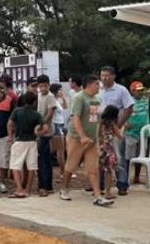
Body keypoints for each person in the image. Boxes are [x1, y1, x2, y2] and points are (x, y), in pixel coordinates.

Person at [60, 74, 113, 207]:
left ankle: (98, 196)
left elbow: (98, 119)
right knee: (71, 164)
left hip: (92, 139)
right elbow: (75, 118)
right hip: (77, 138)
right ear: (89, 84)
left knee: (93, 167)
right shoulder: (78, 98)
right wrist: (82, 136)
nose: (99, 87)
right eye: (97, 84)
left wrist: (99, 136)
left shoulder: (98, 99)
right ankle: (64, 188)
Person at [97, 66, 134, 196]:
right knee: (101, 157)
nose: (104, 78)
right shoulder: (98, 89)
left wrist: (119, 125)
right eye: (102, 75)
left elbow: (129, 108)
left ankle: (122, 184)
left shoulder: (121, 90)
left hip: (115, 122)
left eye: (107, 75)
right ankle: (99, 185)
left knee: (119, 156)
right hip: (100, 126)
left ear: (113, 76)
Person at [7, 91, 45, 198]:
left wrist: (10, 136)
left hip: (19, 140)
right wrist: (38, 133)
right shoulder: (36, 114)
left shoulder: (17, 111)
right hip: (32, 141)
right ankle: (28, 189)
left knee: (15, 166)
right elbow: (45, 127)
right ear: (34, 102)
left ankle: (19, 189)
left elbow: (10, 123)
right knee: (32, 166)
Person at [35, 75, 57, 196]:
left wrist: (41, 123)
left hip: (46, 131)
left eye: (45, 85)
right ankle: (45, 184)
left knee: (43, 158)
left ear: (48, 85)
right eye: (40, 86)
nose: (43, 88)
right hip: (40, 130)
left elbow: (50, 113)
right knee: (44, 158)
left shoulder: (50, 96)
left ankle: (45, 185)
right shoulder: (39, 96)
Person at [99, 105, 122, 200]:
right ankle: (108, 192)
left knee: (99, 169)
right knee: (109, 170)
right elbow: (120, 136)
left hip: (100, 147)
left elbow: (98, 134)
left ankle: (97, 189)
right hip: (109, 148)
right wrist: (123, 128)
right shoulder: (112, 123)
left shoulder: (101, 123)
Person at [50, 83, 68, 178]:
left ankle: (63, 171)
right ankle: (63, 172)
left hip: (60, 124)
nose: (61, 92)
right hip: (56, 125)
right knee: (60, 150)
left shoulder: (56, 100)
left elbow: (65, 107)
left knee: (54, 149)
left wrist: (63, 98)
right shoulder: (52, 100)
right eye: (60, 90)